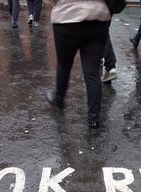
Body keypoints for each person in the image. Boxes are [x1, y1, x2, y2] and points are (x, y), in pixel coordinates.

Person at [46, 0, 111, 134]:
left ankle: (59, 99)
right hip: (97, 19)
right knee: (92, 73)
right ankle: (93, 120)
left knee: (64, 64)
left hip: (66, 20)